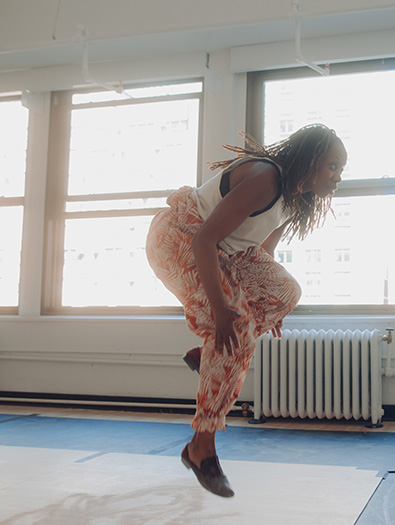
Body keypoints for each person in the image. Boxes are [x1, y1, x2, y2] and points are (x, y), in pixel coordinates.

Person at [146, 124, 346, 497]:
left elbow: (261, 255)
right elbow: (205, 239)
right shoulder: (266, 179)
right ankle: (200, 447)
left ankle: (208, 357)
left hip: (224, 252)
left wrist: (270, 303)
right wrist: (223, 314)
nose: (337, 178)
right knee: (234, 334)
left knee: (287, 291)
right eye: (333, 167)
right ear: (312, 160)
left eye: (341, 171)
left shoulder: (296, 197)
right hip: (180, 238)